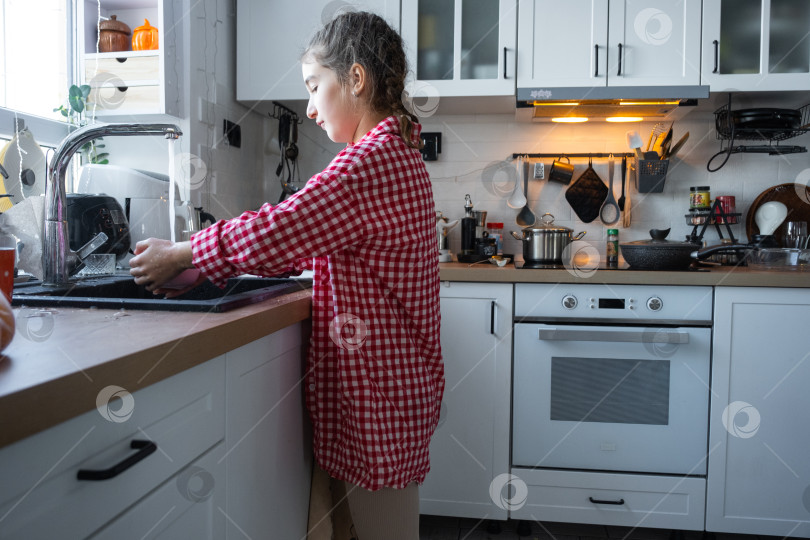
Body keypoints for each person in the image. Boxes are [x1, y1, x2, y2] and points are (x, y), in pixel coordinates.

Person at [129, 11, 443, 539]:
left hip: (380, 402)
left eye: (315, 86)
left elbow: (283, 228)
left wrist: (185, 253)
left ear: (356, 80)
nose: (310, 107)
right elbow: (318, 244)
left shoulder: (372, 161)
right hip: (384, 395)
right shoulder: (394, 153)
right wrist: (203, 266)